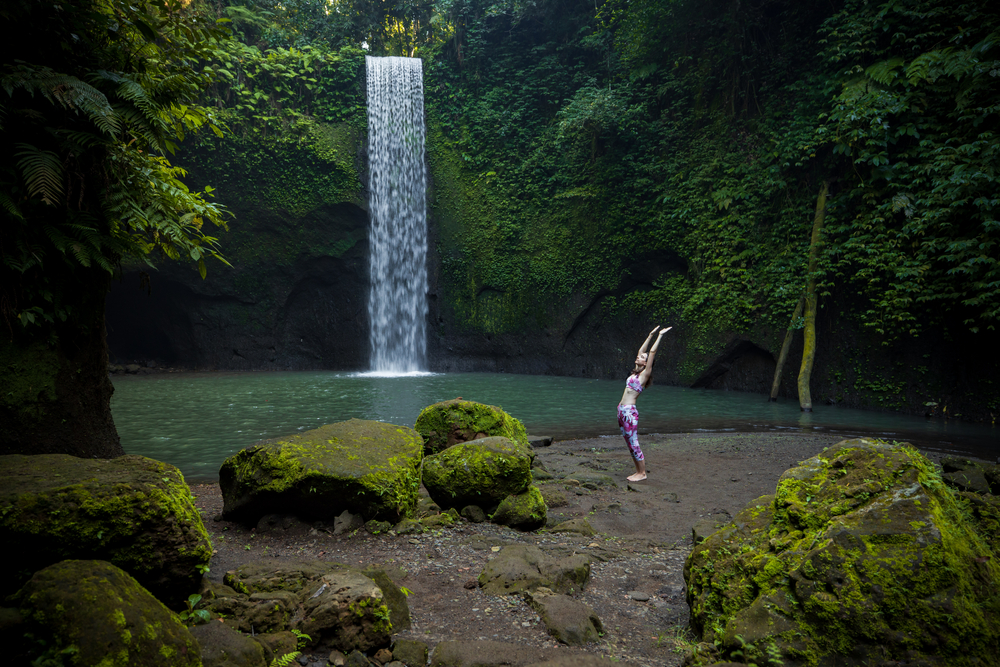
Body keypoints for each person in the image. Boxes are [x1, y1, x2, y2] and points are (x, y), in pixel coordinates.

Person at [618, 325, 671, 481]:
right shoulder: (635, 372)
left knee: (634, 443)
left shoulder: (644, 374)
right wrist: (649, 335)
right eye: (640, 357)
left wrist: (660, 336)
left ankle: (642, 473)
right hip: (621, 410)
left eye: (643, 358)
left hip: (629, 412)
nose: (639, 357)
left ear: (647, 363)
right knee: (629, 443)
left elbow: (651, 353)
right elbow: (642, 351)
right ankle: (637, 471)